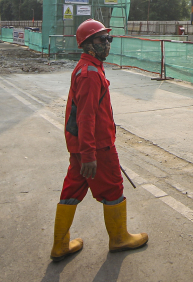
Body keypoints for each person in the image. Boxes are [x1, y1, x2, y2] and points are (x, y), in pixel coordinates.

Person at [50, 19, 148, 262]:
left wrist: (83, 151)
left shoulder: (89, 68)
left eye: (108, 39)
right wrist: (90, 155)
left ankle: (60, 245)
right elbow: (85, 117)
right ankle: (119, 238)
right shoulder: (90, 74)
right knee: (113, 187)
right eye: (102, 40)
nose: (107, 44)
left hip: (82, 145)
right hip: (96, 146)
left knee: (72, 189)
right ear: (88, 45)